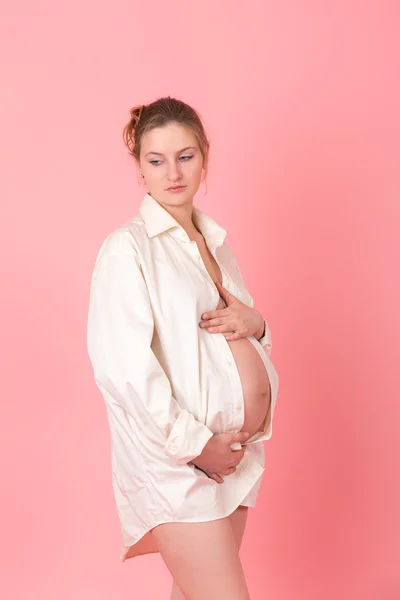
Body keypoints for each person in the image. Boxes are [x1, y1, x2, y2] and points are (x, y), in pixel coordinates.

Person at [86, 96, 279, 600]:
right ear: (140, 171)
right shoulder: (127, 248)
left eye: (185, 156)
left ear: (205, 158)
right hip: (181, 465)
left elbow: (240, 338)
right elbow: (123, 370)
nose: (173, 171)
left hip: (234, 458)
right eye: (156, 160)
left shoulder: (215, 243)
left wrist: (257, 325)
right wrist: (199, 446)